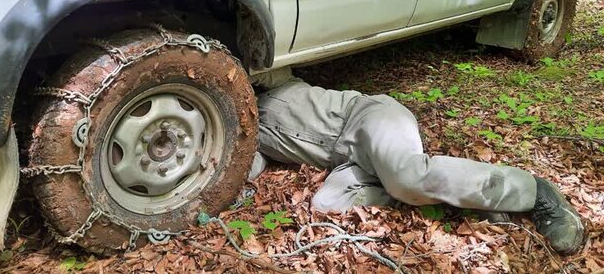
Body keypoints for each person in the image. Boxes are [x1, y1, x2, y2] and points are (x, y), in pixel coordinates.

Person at [249, 67, 584, 254]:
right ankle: (458, 199)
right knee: (325, 203)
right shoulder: (244, 135)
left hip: (366, 119)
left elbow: (265, 62)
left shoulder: (273, 82)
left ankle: (534, 191)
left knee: (407, 177)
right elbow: (241, 168)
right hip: (349, 161)